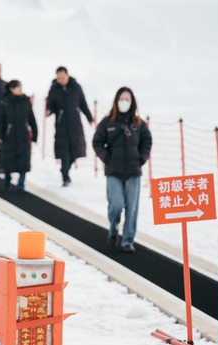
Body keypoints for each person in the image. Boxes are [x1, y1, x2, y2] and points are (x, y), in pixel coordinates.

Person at [92, 87, 152, 253]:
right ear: (116, 100)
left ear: (132, 102)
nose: (124, 102)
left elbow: (147, 141)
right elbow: (97, 142)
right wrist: (107, 158)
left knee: (132, 208)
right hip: (114, 171)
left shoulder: (139, 124)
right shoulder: (107, 122)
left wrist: (141, 158)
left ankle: (127, 240)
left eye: (127, 99)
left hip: (133, 171)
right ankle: (113, 229)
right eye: (121, 99)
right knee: (116, 205)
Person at [45, 66, 93, 186]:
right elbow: (50, 105)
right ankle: (65, 177)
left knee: (74, 152)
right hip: (61, 125)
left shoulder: (76, 87)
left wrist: (90, 118)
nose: (61, 80)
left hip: (75, 124)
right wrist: (49, 111)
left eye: (63, 77)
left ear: (67, 75)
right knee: (64, 153)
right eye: (59, 78)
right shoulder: (54, 89)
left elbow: (83, 104)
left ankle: (64, 169)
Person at [0, 80, 38, 191]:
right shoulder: (5, 102)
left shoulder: (25, 101)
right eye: (18, 87)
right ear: (11, 89)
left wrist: (35, 133)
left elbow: (31, 118)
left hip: (23, 135)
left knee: (24, 160)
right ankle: (7, 180)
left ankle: (21, 184)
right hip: (8, 136)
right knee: (8, 159)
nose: (20, 89)